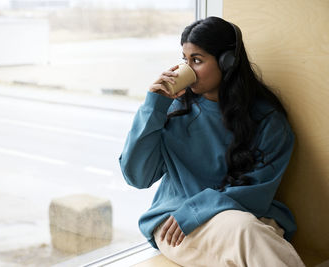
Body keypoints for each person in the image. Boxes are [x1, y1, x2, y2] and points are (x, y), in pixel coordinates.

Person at [119, 17, 305, 266]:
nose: (186, 69)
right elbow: (137, 176)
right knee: (247, 233)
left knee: (248, 231)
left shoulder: (268, 118)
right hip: (177, 223)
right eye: (185, 60)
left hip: (250, 215)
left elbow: (258, 190)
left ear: (228, 62)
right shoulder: (173, 110)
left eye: (197, 60)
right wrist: (154, 106)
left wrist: (199, 208)